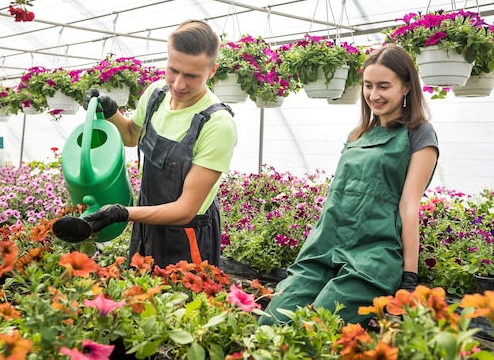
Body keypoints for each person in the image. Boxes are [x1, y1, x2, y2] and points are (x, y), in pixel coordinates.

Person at [259, 43, 439, 326]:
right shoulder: (358, 135)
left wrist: (410, 278)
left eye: (383, 86)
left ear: (406, 87)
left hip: (370, 258)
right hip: (323, 250)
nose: (374, 95)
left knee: (315, 331)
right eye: (368, 86)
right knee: (270, 323)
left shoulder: (419, 134)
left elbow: (409, 207)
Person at [56, 19, 238, 269]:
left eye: (192, 76)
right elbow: (132, 136)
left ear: (212, 70)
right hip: (147, 223)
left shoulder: (217, 125)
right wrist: (111, 112)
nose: (178, 84)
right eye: (173, 70)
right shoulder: (156, 95)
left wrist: (123, 212)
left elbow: (186, 209)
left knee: (183, 303)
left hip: (187, 237)